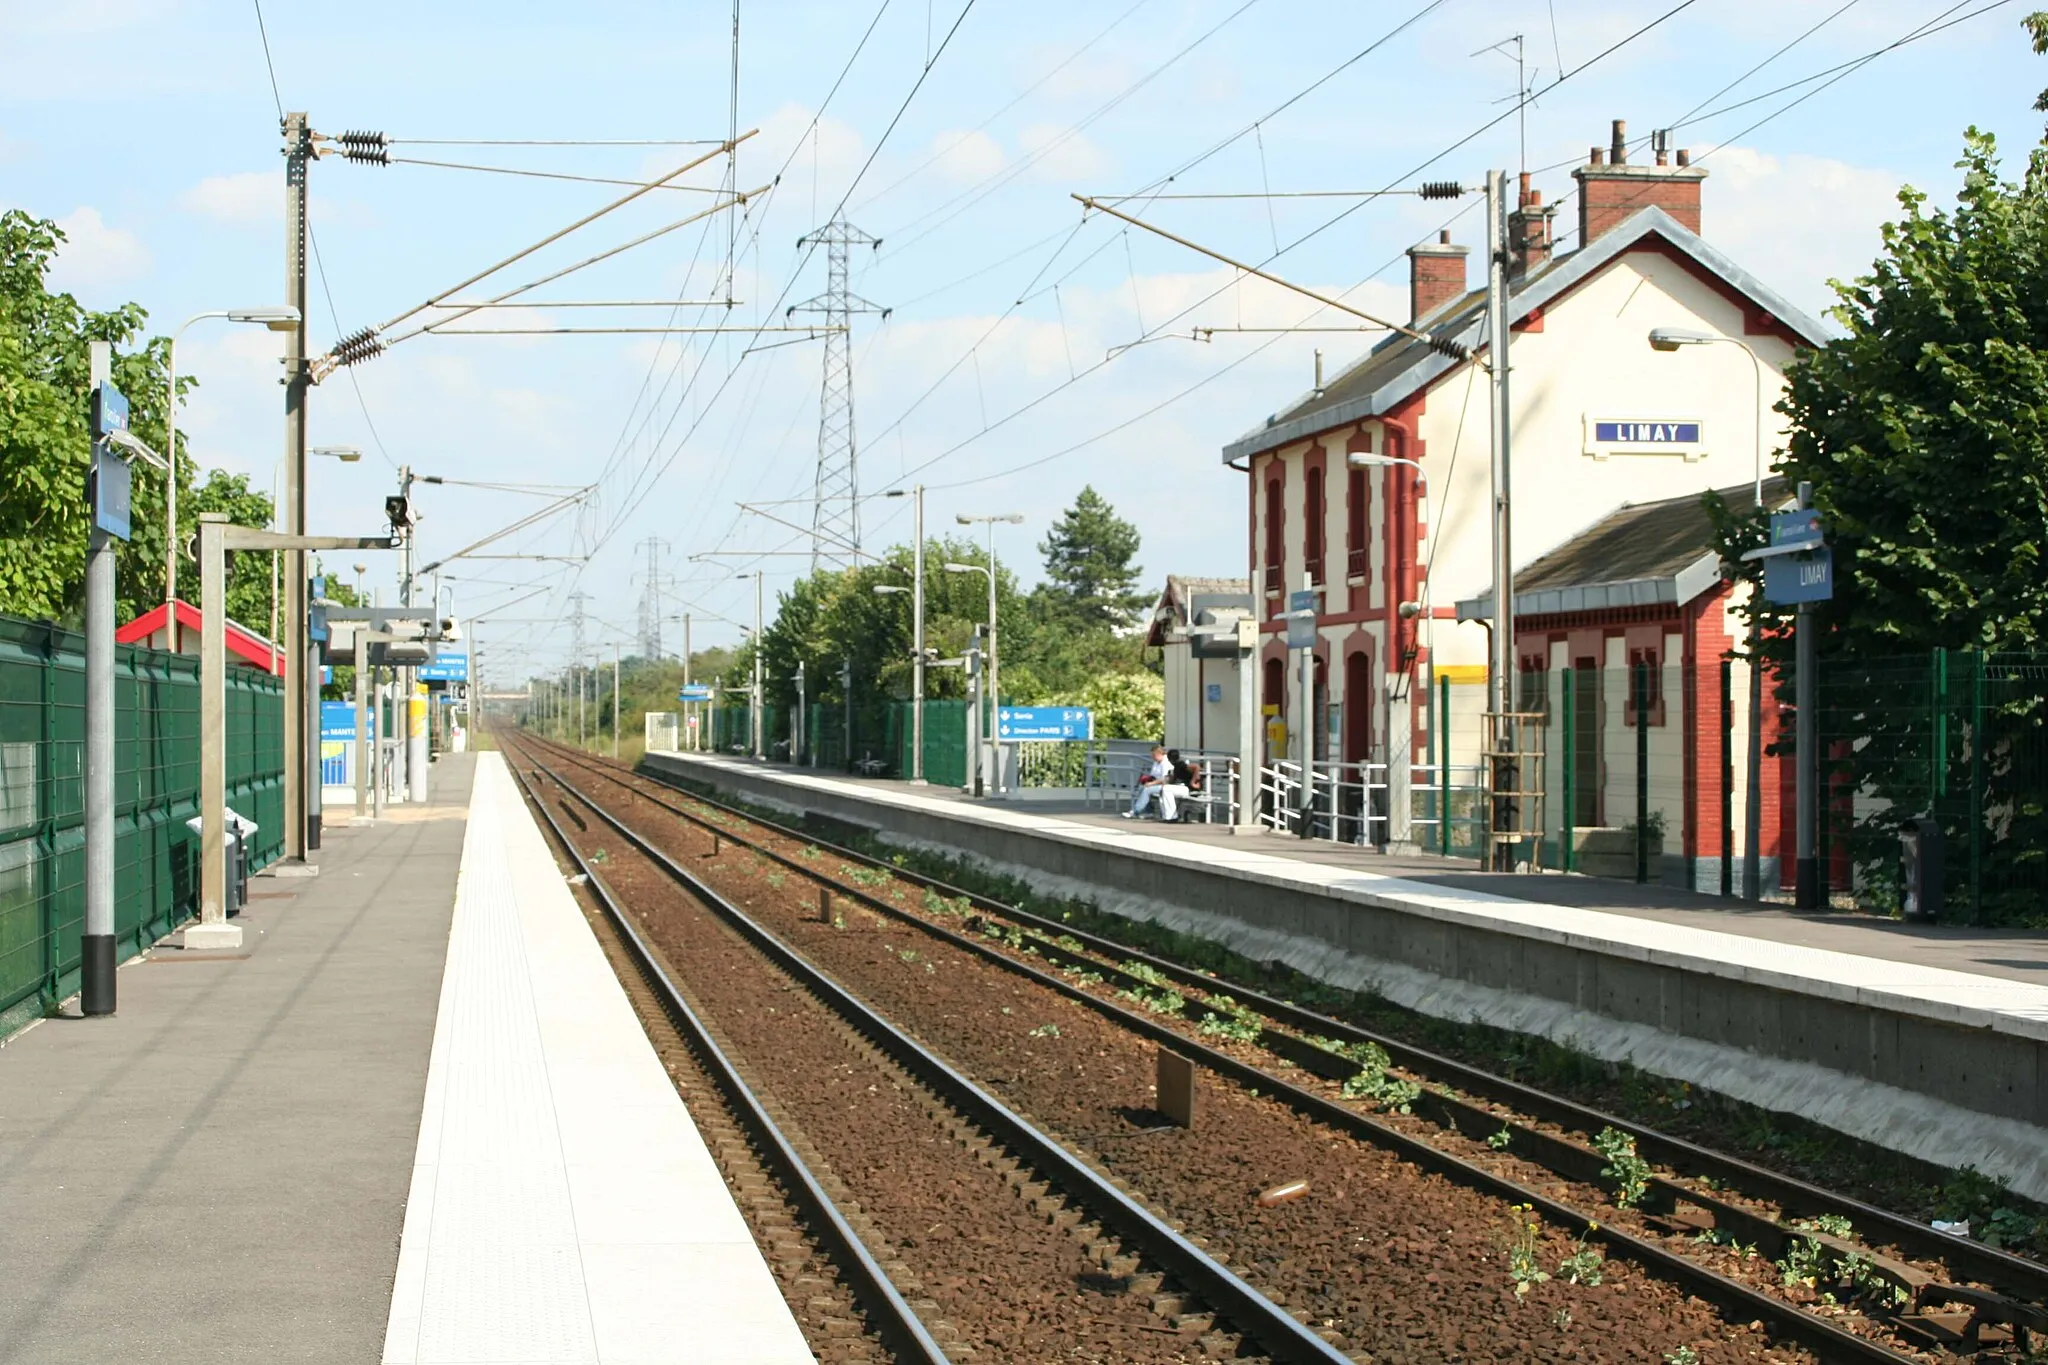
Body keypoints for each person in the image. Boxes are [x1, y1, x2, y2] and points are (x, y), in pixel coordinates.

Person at [1122, 745, 1170, 819]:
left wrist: (1151, 783)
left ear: (1159, 753)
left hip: (1166, 785)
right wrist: (1147, 781)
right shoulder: (1157, 762)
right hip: (1156, 783)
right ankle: (1149, 812)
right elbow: (1153, 775)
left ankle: (1135, 811)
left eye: (1154, 755)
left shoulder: (1165, 763)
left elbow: (1165, 779)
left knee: (1147, 790)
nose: (1152, 757)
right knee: (1142, 788)